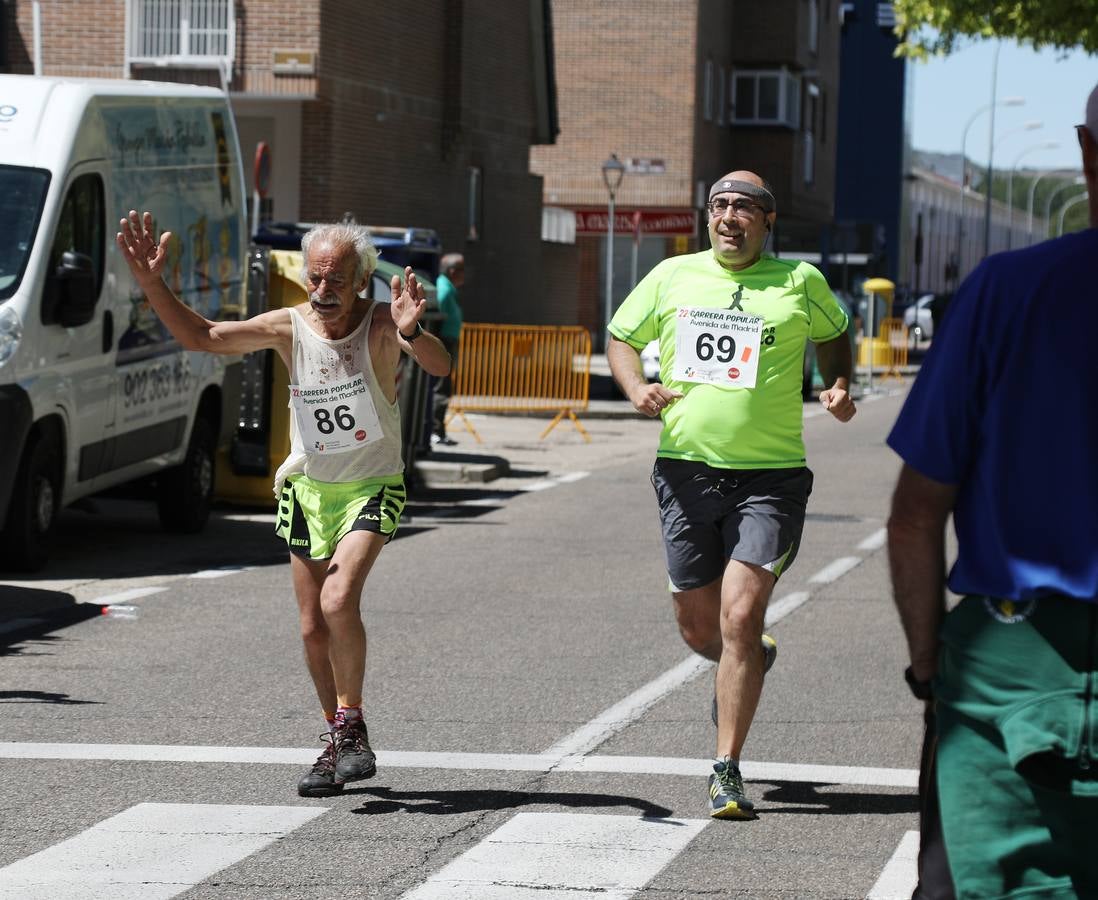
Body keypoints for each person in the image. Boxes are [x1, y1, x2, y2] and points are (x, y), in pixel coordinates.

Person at [116, 211, 451, 798]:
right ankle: (338, 742)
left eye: (336, 281)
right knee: (310, 627)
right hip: (308, 488)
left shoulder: (381, 324)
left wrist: (414, 333)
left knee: (339, 598)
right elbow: (204, 338)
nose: (323, 292)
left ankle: (352, 723)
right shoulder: (290, 326)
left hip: (372, 485)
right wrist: (151, 284)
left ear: (363, 280)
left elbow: (441, 365)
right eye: (315, 280)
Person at [887, 83, 1098, 899]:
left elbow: (915, 516)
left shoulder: (1005, 292)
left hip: (1009, 676)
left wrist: (928, 669)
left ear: (1087, 153)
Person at [607, 170, 856, 819]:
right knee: (699, 627)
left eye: (745, 207)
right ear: (707, 216)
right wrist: (635, 388)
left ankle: (725, 769)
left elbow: (834, 335)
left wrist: (836, 384)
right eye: (720, 205)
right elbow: (622, 338)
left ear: (767, 222)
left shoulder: (800, 282)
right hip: (686, 470)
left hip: (772, 476)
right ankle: (748, 657)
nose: (730, 215)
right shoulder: (672, 276)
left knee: (740, 617)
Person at [431, 252, 465, 446]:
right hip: (444, 341)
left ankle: (438, 430)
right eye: (461, 270)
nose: (464, 275)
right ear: (452, 271)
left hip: (446, 340)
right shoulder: (444, 289)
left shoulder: (447, 287)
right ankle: (436, 431)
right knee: (441, 386)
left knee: (444, 386)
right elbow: (438, 314)